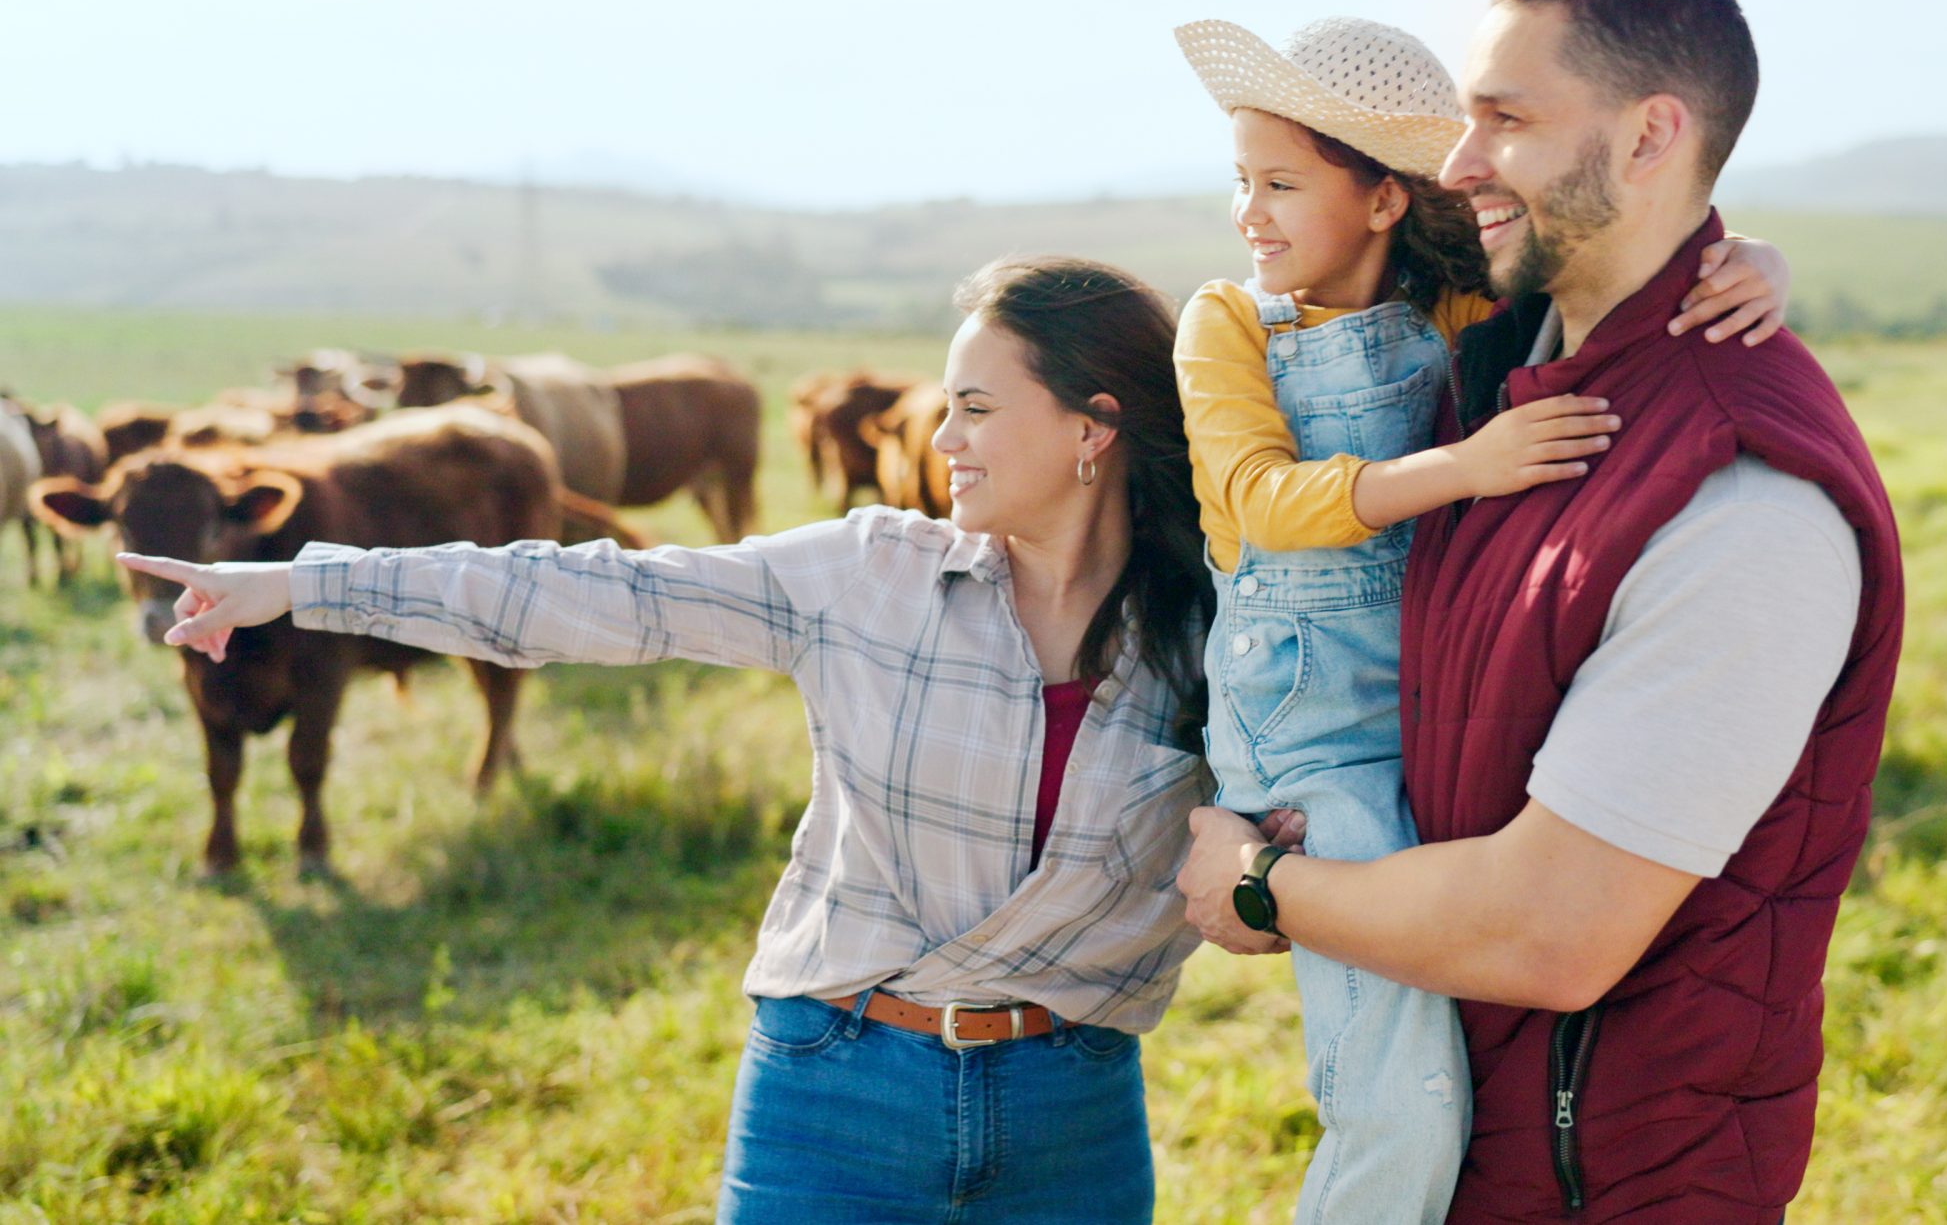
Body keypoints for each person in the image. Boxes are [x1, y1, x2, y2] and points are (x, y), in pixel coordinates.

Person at [124, 256, 1214, 1225]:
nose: (939, 439)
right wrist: (300, 583)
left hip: (1074, 1115)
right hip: (834, 1093)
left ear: (1093, 427)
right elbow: (589, 590)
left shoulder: (1211, 634)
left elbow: (1294, 827)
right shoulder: (870, 575)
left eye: (975, 407)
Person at [1178, 0, 1905, 1224]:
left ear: (1649, 136)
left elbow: (1546, 935)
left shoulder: (1743, 498)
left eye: (1505, 121)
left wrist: (1252, 887)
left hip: (1603, 1187)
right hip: (1496, 1157)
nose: (1456, 165)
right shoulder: (1498, 365)